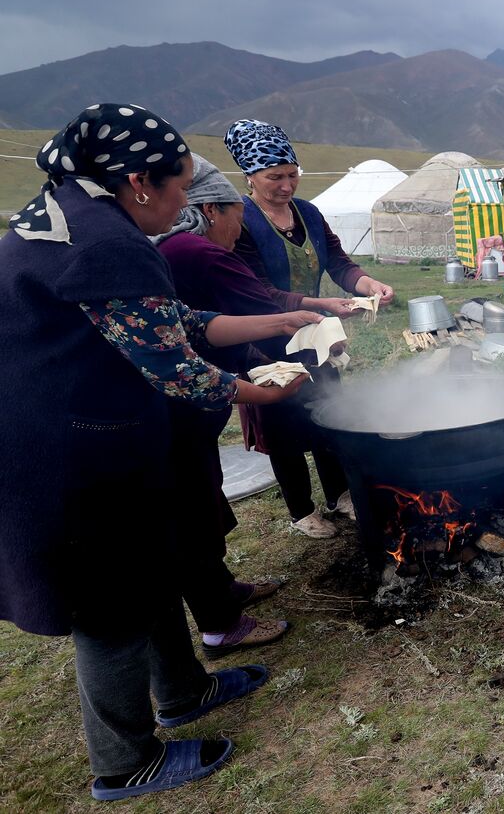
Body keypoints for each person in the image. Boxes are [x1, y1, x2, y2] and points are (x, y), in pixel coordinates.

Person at [0, 104, 319, 800]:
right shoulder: (103, 238)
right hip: (62, 458)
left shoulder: (77, 215)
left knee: (146, 571)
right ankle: (124, 763)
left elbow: (160, 318)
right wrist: (256, 392)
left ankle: (181, 691)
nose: (184, 208)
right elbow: (174, 366)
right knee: (109, 604)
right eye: (180, 191)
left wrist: (281, 318)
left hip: (92, 442)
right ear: (140, 181)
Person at [155, 154, 358, 656]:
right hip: (178, 408)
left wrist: (270, 336)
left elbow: (198, 321)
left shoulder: (182, 246)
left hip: (214, 384)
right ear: (215, 210)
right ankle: (221, 625)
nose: (237, 230)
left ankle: (224, 592)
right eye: (236, 219)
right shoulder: (197, 250)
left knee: (204, 500)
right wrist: (302, 320)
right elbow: (258, 301)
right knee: (195, 510)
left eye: (294, 174)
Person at [224, 119, 393, 537]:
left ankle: (339, 493)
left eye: (292, 174)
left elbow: (338, 263)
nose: (286, 185)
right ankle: (301, 510)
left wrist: (367, 284)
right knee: (283, 427)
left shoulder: (310, 214)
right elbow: (255, 289)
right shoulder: (238, 221)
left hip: (317, 339)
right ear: (250, 176)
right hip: (265, 342)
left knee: (330, 412)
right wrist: (322, 304)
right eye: (274, 177)